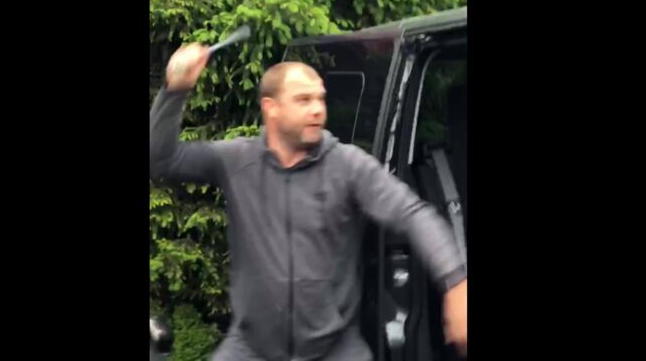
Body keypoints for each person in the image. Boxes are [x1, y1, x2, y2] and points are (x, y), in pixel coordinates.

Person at [150, 43, 467, 360]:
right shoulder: (236, 160)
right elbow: (160, 159)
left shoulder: (348, 166)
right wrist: (175, 90)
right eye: (303, 100)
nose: (317, 109)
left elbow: (412, 214)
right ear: (271, 107)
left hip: (335, 350)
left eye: (320, 98)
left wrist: (456, 283)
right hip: (250, 349)